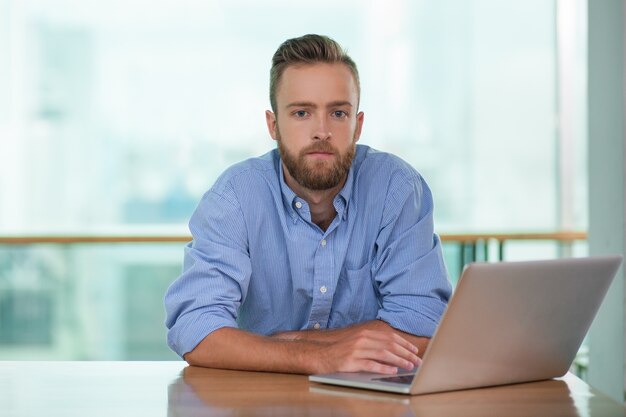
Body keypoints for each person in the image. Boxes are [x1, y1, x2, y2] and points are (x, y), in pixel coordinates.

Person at [164, 34, 451, 375]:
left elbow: (424, 325)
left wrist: (293, 341)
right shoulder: (235, 198)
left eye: (338, 113)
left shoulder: (396, 189)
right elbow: (197, 330)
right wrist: (319, 358)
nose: (321, 131)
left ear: (357, 125)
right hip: (261, 402)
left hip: (371, 404)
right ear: (274, 125)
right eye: (302, 112)